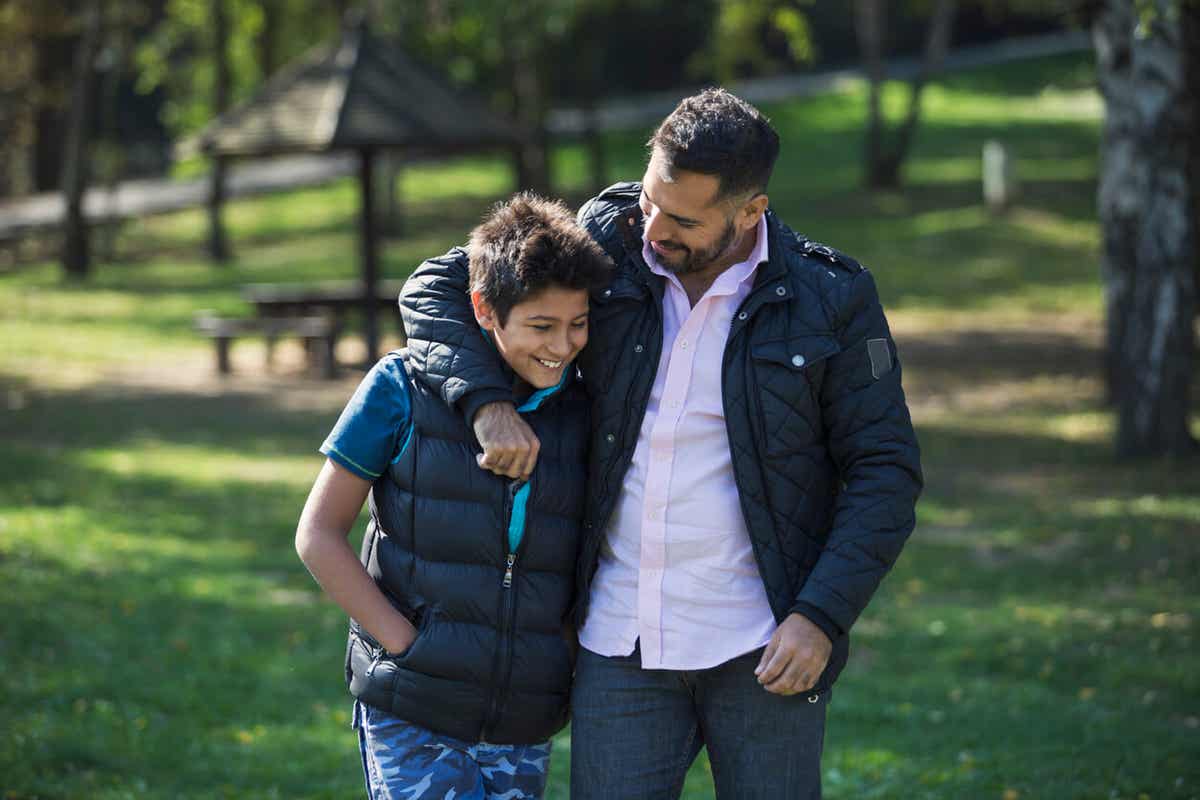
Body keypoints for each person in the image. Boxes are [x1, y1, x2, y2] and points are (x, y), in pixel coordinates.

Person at [398, 89, 923, 799]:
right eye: (650, 200)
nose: (653, 228)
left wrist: (821, 616)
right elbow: (436, 285)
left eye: (682, 219)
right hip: (618, 642)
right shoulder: (608, 236)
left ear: (750, 212)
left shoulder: (833, 297)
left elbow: (884, 471)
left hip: (765, 645)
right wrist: (486, 405)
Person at [295, 193, 612, 799]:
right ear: (484, 310)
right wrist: (406, 644)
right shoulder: (400, 387)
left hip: (524, 719)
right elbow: (317, 534)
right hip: (414, 708)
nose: (563, 345)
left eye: (578, 324)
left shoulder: (585, 410)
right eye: (541, 327)